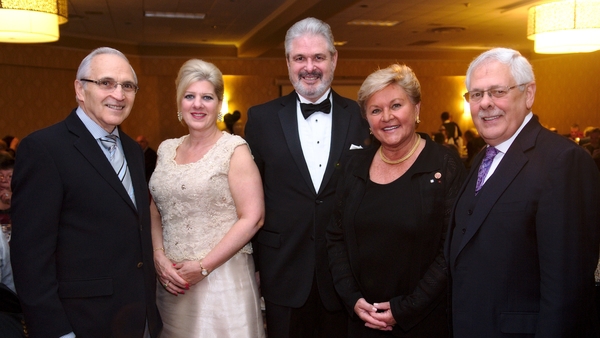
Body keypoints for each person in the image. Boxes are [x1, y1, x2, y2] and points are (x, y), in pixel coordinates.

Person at [447, 47, 600, 337]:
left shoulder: (563, 161)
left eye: (497, 91)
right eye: (476, 95)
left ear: (528, 94)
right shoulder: (482, 157)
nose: (485, 104)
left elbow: (568, 291)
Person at [10, 47, 162, 338]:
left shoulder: (132, 149)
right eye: (106, 83)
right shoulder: (44, 149)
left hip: (138, 318)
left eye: (128, 86)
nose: (119, 95)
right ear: (80, 89)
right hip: (80, 323)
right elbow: (30, 258)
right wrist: (56, 331)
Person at [244, 17, 371, 337]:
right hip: (281, 269)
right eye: (300, 58)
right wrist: (256, 264)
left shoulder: (362, 116)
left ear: (334, 59)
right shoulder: (260, 118)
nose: (309, 67)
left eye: (318, 57)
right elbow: (250, 199)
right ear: (287, 62)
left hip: (346, 274)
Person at [326, 64, 465, 337]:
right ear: (367, 119)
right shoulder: (354, 166)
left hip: (423, 320)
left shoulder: (445, 166)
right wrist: (352, 299)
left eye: (396, 105)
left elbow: (450, 250)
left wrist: (405, 309)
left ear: (417, 109)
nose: (387, 117)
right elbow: (335, 236)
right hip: (362, 318)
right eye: (375, 110)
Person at [149, 59, 265, 337]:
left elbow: (253, 218)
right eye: (190, 96)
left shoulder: (233, 150)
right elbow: (155, 209)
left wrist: (203, 267)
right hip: (172, 283)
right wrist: (158, 256)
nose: (197, 104)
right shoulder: (166, 150)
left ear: (219, 103)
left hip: (222, 281)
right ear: (180, 103)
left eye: (207, 97)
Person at [0, 152, 13, 225]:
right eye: (0, 175)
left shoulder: (24, 199)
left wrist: (14, 201)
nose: (4, 180)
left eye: (9, 176)